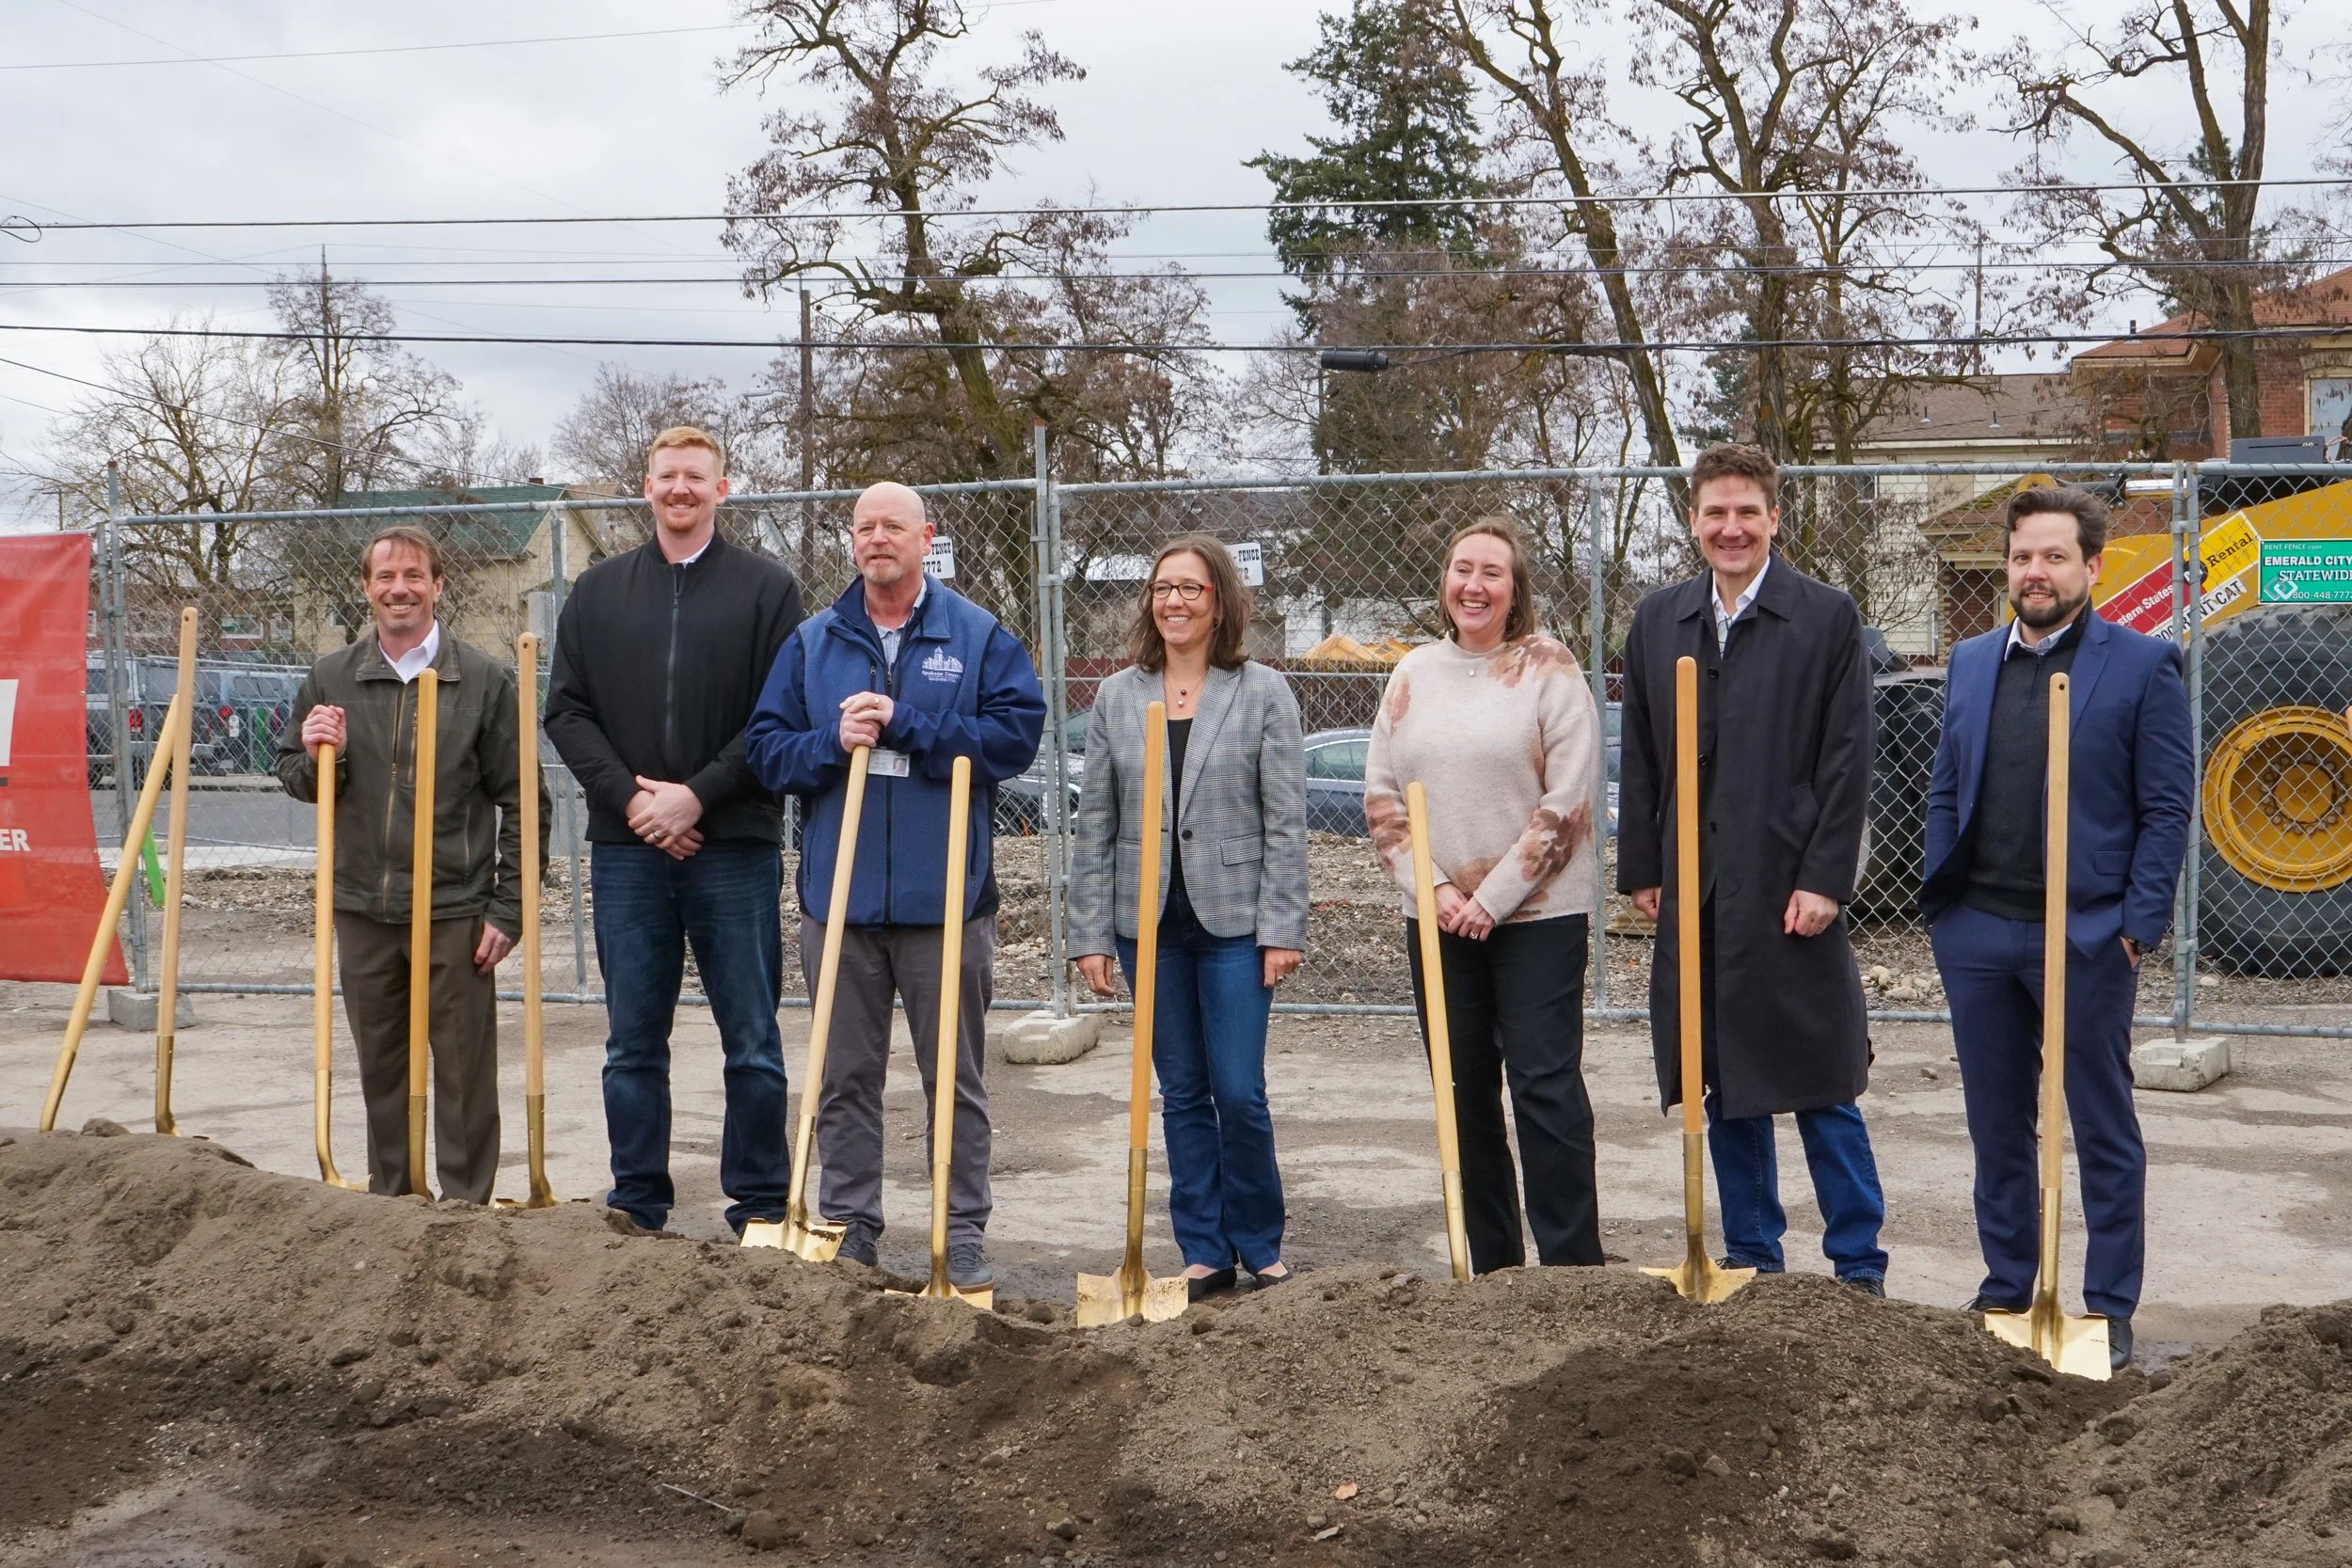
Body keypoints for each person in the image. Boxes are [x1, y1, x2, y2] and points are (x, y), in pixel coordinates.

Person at [744, 481, 1045, 1288]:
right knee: (844, 1074)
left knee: (955, 1078)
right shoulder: (814, 642)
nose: (879, 538)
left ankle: (962, 1228)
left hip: (945, 902)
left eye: (895, 526)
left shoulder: (976, 636)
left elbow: (1016, 736)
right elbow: (766, 749)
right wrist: (827, 741)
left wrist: (912, 721)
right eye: (865, 526)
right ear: (852, 540)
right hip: (839, 907)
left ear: (925, 537)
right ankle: (851, 1222)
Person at [1923, 483, 2192, 1372]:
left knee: (2101, 1123)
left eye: (2052, 556)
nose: (2033, 573)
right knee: (1998, 1125)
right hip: (1981, 934)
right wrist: (1944, 909)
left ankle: (2108, 1306)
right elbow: (1946, 787)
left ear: (2091, 566)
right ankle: (2007, 1286)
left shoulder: (2143, 664)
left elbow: (2165, 806)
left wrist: (2134, 926)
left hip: (2084, 936)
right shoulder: (1969, 661)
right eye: (2021, 556)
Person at [1618, 442, 1888, 1295]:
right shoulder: (1660, 621)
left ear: (1776, 517)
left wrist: (1825, 879)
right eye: (1714, 513)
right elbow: (1644, 757)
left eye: (1747, 512)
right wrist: (1646, 869)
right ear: (1693, 521)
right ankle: (1754, 1258)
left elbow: (1848, 761)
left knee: (1822, 1083)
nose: (1730, 528)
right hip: (1696, 892)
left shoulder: (1823, 617)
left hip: (1787, 890)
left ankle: (1857, 1264)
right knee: (1723, 1080)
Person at [543, 426, 805, 1236]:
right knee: (631, 1040)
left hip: (735, 846)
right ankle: (637, 1199)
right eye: (668, 476)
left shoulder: (768, 591)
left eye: (697, 476)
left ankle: (760, 1202)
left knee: (753, 1038)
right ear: (647, 487)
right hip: (628, 854)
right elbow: (567, 711)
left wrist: (696, 798)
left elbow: (779, 716)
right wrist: (636, 805)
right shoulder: (596, 592)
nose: (681, 488)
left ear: (723, 489)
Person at [1362, 517, 1606, 1275]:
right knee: (1463, 1095)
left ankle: (1570, 1269)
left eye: (1492, 573)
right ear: (1445, 583)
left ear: (1515, 590)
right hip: (1435, 917)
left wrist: (1490, 898)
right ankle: (1494, 1269)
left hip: (1538, 914)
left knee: (1544, 1087)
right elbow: (1382, 797)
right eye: (1462, 569)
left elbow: (1567, 803)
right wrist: (1433, 887)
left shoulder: (1550, 670)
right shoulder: (1410, 676)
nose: (1474, 584)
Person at [275, 525, 545, 1203]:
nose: (401, 589)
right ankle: (392, 1204)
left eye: (415, 576)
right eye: (386, 577)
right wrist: (311, 754)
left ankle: (464, 1209)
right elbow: (299, 779)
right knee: (382, 1072)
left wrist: (508, 909)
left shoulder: (481, 681)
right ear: (366, 588)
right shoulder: (332, 677)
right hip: (364, 908)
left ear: (438, 586)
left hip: (453, 909)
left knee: (462, 1074)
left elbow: (526, 801)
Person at [1070, 535, 1309, 1299]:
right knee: (1180, 1092)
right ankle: (1204, 1249)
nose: (1174, 601)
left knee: (1238, 1089)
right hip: (1148, 929)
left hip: (1237, 925)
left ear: (1219, 603)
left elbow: (1286, 821)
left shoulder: (1263, 691)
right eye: (1162, 588)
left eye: (1191, 589)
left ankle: (1259, 1240)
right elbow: (1095, 824)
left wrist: (1282, 928)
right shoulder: (1116, 695)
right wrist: (1089, 934)